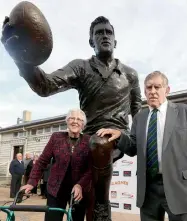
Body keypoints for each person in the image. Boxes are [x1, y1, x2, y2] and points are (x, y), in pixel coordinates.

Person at [1, 15, 142, 220]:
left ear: (115, 40)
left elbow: (137, 111)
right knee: (82, 181)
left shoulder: (130, 74)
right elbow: (46, 85)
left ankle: (101, 208)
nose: (104, 36)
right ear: (90, 41)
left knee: (100, 144)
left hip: (118, 139)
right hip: (89, 139)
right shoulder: (80, 67)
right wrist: (20, 58)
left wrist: (137, 140)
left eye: (108, 32)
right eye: (99, 33)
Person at [97, 71, 187, 221]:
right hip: (148, 190)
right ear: (145, 91)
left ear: (167, 90)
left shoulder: (186, 112)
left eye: (157, 87)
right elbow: (132, 148)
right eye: (149, 88)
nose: (153, 91)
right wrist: (120, 136)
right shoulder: (139, 118)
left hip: (179, 187)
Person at [21, 109, 92, 221]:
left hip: (79, 191)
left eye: (79, 119)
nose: (75, 121)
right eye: (72, 118)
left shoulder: (89, 140)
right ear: (67, 121)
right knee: (52, 218)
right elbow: (42, 161)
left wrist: (80, 185)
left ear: (83, 124)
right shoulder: (56, 137)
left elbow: (91, 168)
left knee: (77, 218)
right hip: (56, 189)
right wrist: (31, 182)